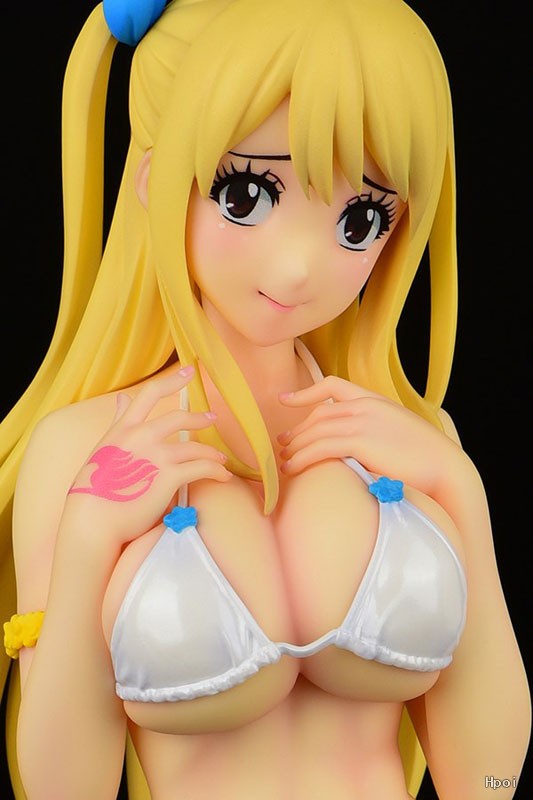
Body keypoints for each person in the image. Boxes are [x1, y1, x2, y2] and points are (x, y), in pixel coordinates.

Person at [0, 0, 530, 798]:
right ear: (154, 179)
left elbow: (486, 784)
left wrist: (462, 492)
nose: (296, 269)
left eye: (360, 218)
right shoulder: (81, 450)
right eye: (245, 194)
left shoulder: (413, 439)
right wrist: (87, 540)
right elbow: (63, 791)